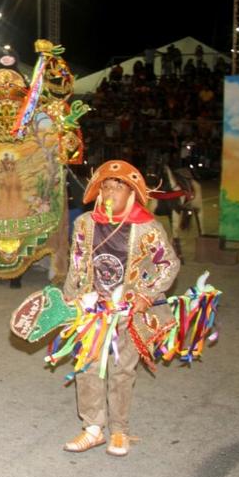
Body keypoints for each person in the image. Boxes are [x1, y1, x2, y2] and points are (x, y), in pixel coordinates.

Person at [61, 159, 180, 457]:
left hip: (128, 311)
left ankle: (119, 431)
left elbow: (169, 264)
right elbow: (76, 265)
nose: (111, 192)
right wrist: (68, 303)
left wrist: (146, 295)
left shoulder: (147, 227)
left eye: (119, 187)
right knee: (86, 366)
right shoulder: (85, 223)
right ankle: (93, 429)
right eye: (106, 186)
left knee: (122, 371)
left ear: (132, 193)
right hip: (93, 310)